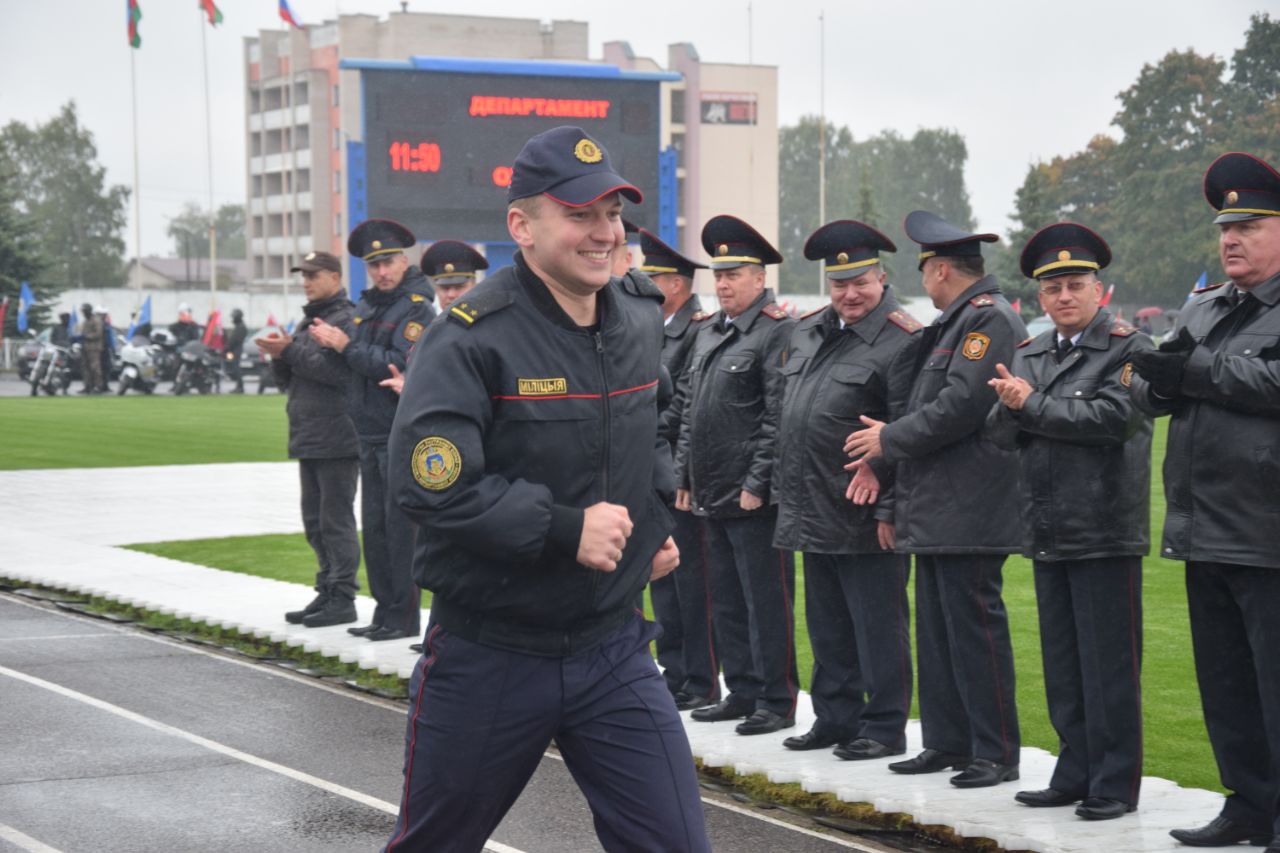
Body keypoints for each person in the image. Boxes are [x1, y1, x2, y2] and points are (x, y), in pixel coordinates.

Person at [383, 125, 707, 852]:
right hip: (491, 651)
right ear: (522, 226)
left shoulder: (637, 313)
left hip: (611, 647)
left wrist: (648, 531)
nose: (604, 234)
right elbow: (429, 486)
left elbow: (649, 432)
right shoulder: (470, 336)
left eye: (612, 215)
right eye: (580, 215)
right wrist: (567, 528)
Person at [846, 210, 1026, 787]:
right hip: (940, 505)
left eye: (925, 269)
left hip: (970, 503)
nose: (923, 280)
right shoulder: (953, 323)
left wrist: (887, 440)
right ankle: (948, 742)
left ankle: (994, 751)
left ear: (941, 269)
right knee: (940, 634)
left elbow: (959, 408)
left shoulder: (985, 320)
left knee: (974, 631)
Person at [1132, 152, 1280, 851]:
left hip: (1269, 528)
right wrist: (1157, 381)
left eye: (1249, 225)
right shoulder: (1205, 304)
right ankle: (1248, 804)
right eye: (1225, 227)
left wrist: (1190, 370)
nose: (1231, 239)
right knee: (1226, 686)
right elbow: (1151, 387)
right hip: (1204, 525)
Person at [987, 223, 1151, 820]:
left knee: (1110, 666)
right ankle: (1074, 769)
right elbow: (999, 433)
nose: (1064, 297)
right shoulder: (1030, 352)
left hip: (1105, 528)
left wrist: (1030, 405)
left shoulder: (1131, 348)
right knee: (1063, 662)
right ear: (1038, 299)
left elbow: (1114, 419)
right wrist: (1015, 408)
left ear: (1099, 291)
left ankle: (1114, 782)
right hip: (1048, 527)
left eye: (1075, 285)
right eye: (1052, 289)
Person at [774, 220, 919, 759]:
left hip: (864, 513)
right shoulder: (809, 331)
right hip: (813, 502)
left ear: (882, 277)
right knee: (828, 623)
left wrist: (884, 491)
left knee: (877, 625)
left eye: (860, 281)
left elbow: (909, 426)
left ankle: (883, 727)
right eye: (839, 284)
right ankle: (834, 717)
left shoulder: (903, 340)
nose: (850, 294)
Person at [676, 214, 799, 736]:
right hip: (710, 489)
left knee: (764, 601)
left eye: (734, 274)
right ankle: (742, 690)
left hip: (751, 496)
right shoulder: (710, 334)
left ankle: (775, 699)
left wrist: (757, 482)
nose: (723, 284)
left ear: (759, 277)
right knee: (725, 597)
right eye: (718, 276)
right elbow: (690, 410)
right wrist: (685, 475)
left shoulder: (778, 332)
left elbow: (777, 416)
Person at [311, 219, 436, 643]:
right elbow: (356, 365)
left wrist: (345, 347)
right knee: (375, 528)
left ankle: (403, 616)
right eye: (373, 265)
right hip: (366, 429)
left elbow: (394, 364)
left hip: (397, 430)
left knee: (400, 532)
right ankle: (385, 611)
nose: (381, 272)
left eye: (388, 262)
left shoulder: (417, 306)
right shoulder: (367, 307)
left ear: (404, 260)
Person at [258, 251, 362, 629]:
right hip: (311, 433)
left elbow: (339, 373)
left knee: (335, 520)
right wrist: (279, 357)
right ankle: (327, 587)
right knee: (315, 521)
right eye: (304, 275)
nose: (306, 281)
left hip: (336, 435)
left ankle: (343, 596)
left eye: (314, 275)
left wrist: (291, 350)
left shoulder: (345, 319)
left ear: (335, 277)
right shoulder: (310, 320)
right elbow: (292, 381)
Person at [639, 225, 719, 711]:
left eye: (655, 279)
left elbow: (681, 404)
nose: (646, 288)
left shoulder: (696, 330)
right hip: (656, 470)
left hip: (678, 469)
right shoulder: (655, 329)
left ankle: (703, 678)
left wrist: (639, 426)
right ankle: (675, 671)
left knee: (694, 584)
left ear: (676, 285)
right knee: (663, 581)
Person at [420, 240, 488, 313]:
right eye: (444, 288)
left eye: (459, 287)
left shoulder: (489, 322)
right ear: (437, 291)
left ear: (474, 287)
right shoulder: (428, 321)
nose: (451, 295)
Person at [78, 302, 104, 394]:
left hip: (94, 348)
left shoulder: (96, 320)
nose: (83, 313)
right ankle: (87, 386)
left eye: (84, 311)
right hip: (85, 347)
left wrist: (86, 336)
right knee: (85, 368)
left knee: (95, 368)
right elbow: (81, 331)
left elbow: (98, 333)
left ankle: (98, 386)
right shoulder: (85, 321)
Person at [224, 308, 248, 393]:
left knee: (236, 369)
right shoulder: (239, 326)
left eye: (234, 317)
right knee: (234, 368)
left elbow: (234, 340)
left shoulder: (241, 327)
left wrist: (227, 348)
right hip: (234, 350)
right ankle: (238, 387)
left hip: (236, 351)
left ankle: (240, 387)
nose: (232, 319)